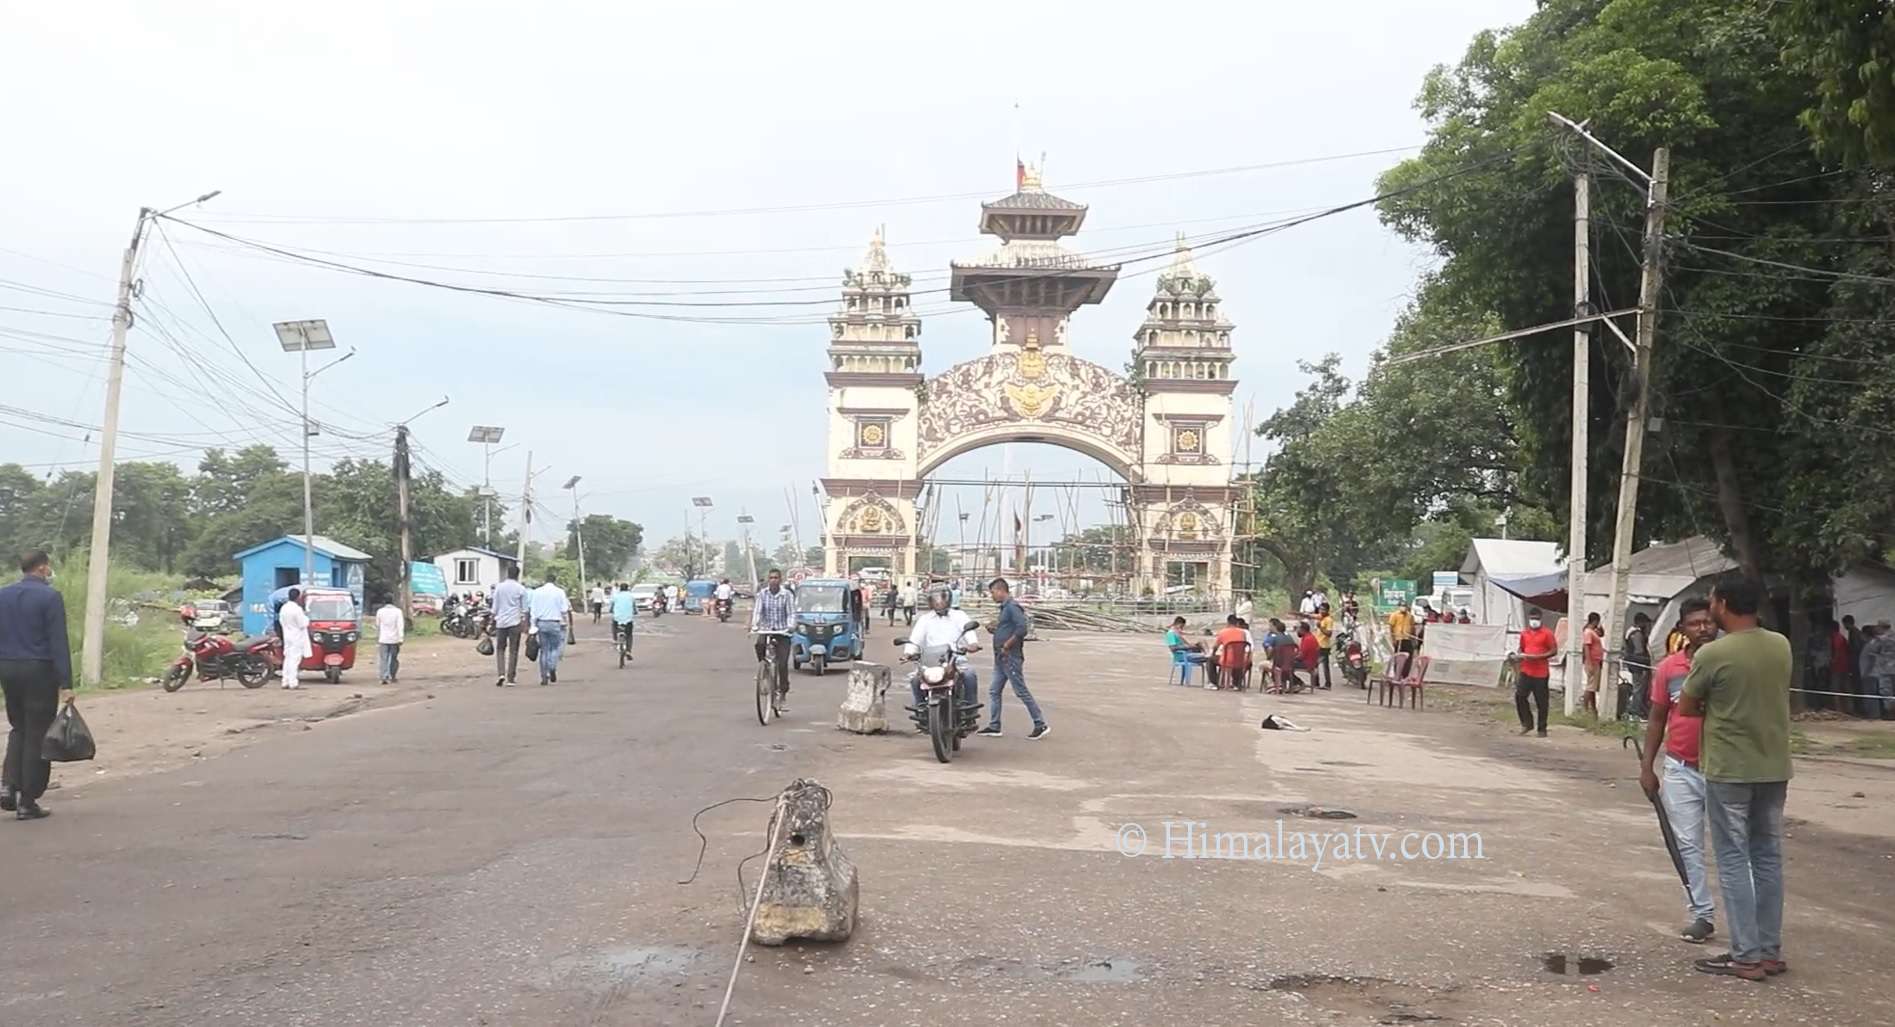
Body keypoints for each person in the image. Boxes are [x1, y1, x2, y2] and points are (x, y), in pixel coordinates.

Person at [1678, 575, 1793, 980]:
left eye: (1712, 601)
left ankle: (1745, 954)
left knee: (1732, 860)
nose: (1709, 608)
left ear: (1723, 604)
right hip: (1774, 765)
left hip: (1730, 768)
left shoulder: (1713, 654)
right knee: (1767, 858)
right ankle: (1769, 950)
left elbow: (1688, 707)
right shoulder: (1780, 644)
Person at [1639, 597, 1719, 944]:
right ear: (1682, 629)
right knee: (1687, 843)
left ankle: (1747, 920)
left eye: (1708, 622)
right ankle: (1702, 913)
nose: (1703, 628)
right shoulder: (1669, 669)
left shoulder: (1728, 663)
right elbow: (1657, 719)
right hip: (1680, 768)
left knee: (1734, 847)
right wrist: (1647, 768)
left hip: (1724, 770)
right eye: (1694, 623)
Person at [0, 549, 74, 820]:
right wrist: (66, 683)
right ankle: (28, 800)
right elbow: (58, 642)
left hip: (7, 667)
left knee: (18, 727)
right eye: (49, 567)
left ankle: (8, 784)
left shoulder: (3, 594)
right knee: (37, 733)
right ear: (42, 568)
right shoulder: (50, 597)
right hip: (39, 670)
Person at [904, 585, 981, 729]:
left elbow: (970, 634)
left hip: (956, 659)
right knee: (915, 681)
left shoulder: (959, 616)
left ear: (949, 599)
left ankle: (969, 713)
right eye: (935, 599)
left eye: (942, 599)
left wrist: (972, 644)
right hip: (931, 662)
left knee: (969, 675)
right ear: (930, 601)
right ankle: (922, 713)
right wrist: (909, 652)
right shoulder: (924, 620)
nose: (938, 602)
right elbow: (915, 639)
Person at [979, 578, 1047, 738]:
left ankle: (1040, 723)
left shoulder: (1013, 607)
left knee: (1020, 691)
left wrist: (1007, 645)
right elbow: (1009, 628)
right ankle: (994, 725)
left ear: (1001, 591)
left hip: (1010, 656)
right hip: (1000, 657)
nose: (992, 596)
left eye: (993, 592)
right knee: (994, 691)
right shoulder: (1005, 608)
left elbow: (1022, 628)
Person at [749, 569, 795, 712]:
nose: (773, 580)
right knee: (759, 644)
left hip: (782, 631)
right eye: (771, 578)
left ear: (780, 579)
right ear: (768, 579)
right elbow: (758, 611)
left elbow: (791, 613)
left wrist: (790, 626)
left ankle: (782, 696)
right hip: (767, 628)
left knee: (782, 664)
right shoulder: (762, 594)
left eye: (776, 578)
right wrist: (755, 625)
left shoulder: (786, 594)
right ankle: (764, 672)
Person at [1514, 608, 1558, 737]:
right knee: (1520, 696)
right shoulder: (1524, 634)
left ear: (1541, 619)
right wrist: (1519, 655)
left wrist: (1540, 656)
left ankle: (1542, 728)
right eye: (1533, 618)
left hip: (1541, 672)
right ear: (1529, 619)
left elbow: (1554, 650)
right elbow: (1521, 647)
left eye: (1537, 619)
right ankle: (1527, 723)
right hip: (1526, 670)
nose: (1535, 621)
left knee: (1542, 702)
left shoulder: (1547, 633)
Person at [528, 572, 573, 685]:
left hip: (541, 623)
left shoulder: (537, 592)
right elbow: (564, 609)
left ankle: (544, 675)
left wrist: (533, 625)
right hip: (555, 623)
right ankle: (552, 666)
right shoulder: (559, 592)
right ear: (555, 581)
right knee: (554, 647)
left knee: (544, 650)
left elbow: (533, 610)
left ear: (545, 580)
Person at [490, 565, 528, 687]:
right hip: (514, 622)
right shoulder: (521, 589)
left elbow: (494, 607)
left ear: (507, 573)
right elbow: (525, 609)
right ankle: (510, 678)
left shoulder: (499, 588)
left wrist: (491, 622)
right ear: (517, 574)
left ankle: (501, 673)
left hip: (501, 622)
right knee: (513, 650)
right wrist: (525, 624)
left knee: (500, 649)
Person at [278, 588, 311, 689]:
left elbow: (281, 621)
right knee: (294, 660)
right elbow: (302, 623)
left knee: (287, 658)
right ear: (298, 597)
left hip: (287, 635)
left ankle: (285, 680)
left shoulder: (284, 608)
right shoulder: (297, 609)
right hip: (296, 636)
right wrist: (307, 618)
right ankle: (293, 682)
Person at [1622, 612, 1652, 720]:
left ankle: (1635, 710)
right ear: (1640, 622)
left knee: (1637, 687)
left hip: (1633, 664)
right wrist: (1644, 668)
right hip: (1638, 665)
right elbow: (1639, 652)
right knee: (1639, 689)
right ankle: (1635, 711)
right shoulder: (1637, 634)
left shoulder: (1630, 631)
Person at [1210, 615, 1252, 691]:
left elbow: (1216, 646)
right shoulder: (1242, 633)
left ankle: (1214, 683)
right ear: (1237, 623)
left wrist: (1213, 653)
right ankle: (1236, 683)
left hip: (1227, 660)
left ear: (1228, 622)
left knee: (1210, 660)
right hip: (1241, 660)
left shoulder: (1223, 632)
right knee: (1236, 658)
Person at [1863, 621, 1895, 720]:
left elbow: (1872, 655)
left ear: (1882, 627)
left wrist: (1867, 671)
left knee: (1887, 694)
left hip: (1885, 670)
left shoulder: (1879, 640)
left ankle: (1891, 716)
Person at [1165, 615, 1206, 686]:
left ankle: (1206, 652)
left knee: (1202, 642)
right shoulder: (1171, 634)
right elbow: (1173, 648)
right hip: (1182, 656)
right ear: (1179, 625)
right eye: (1182, 627)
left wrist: (1192, 646)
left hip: (1186, 654)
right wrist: (1187, 648)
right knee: (1208, 659)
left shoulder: (1177, 633)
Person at [373, 594, 404, 684]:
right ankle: (392, 676)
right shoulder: (398, 612)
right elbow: (400, 626)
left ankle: (383, 676)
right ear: (393, 600)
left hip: (383, 638)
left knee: (384, 659)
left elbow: (377, 625)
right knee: (393, 658)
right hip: (394, 639)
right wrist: (401, 638)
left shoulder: (380, 612)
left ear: (383, 601)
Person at [1581, 611, 1605, 717]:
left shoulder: (1593, 632)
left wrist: (1600, 626)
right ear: (1595, 621)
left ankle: (1593, 709)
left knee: (1593, 687)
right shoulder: (1588, 632)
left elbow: (1602, 634)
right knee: (1590, 686)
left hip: (1597, 661)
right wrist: (1589, 662)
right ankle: (1585, 707)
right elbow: (1587, 647)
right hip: (1593, 662)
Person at [610, 581, 637, 657]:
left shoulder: (615, 597)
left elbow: (612, 606)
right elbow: (634, 608)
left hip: (617, 618)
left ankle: (615, 639)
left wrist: (611, 611)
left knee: (613, 625)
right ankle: (628, 651)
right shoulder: (631, 597)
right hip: (628, 619)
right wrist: (635, 612)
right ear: (627, 589)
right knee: (629, 635)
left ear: (620, 589)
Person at [1314, 603, 1335, 690]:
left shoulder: (1329, 620)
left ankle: (1327, 683)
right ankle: (1317, 683)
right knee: (1316, 665)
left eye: (1323, 610)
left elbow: (1329, 634)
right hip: (1318, 644)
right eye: (1320, 609)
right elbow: (1312, 616)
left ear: (1327, 610)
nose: (1321, 611)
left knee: (1323, 666)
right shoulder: (1321, 617)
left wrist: (1320, 628)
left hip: (1324, 646)